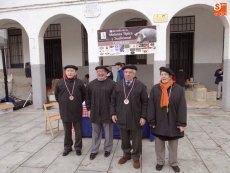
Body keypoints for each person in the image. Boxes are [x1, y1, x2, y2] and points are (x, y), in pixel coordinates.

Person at [147, 67, 187, 173]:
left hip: (174, 121)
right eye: (162, 74)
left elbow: (182, 106)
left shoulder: (178, 89)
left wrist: (181, 123)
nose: (163, 76)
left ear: (170, 76)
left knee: (173, 144)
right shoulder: (155, 88)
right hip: (159, 121)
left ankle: (173, 163)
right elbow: (151, 105)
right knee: (159, 144)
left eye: (165, 74)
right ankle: (160, 162)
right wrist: (151, 120)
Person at [111, 65, 148, 169]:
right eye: (126, 72)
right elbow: (112, 101)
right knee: (124, 138)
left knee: (136, 139)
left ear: (134, 74)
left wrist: (143, 116)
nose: (128, 74)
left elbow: (145, 102)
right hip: (121, 116)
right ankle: (126, 154)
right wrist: (113, 113)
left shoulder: (141, 86)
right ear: (123, 73)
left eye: (130, 72)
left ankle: (136, 157)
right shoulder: (117, 85)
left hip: (136, 117)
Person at [55, 65, 86, 156]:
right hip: (65, 111)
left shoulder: (80, 83)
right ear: (65, 72)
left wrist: (76, 102)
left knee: (78, 131)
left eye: (72, 71)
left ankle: (78, 147)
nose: (70, 72)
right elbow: (57, 96)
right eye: (68, 70)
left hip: (76, 110)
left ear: (75, 72)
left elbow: (84, 96)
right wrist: (63, 102)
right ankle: (67, 147)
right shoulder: (60, 82)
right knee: (67, 131)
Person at [86, 65, 116, 160]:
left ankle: (107, 149)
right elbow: (88, 98)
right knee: (95, 133)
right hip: (95, 112)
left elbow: (114, 100)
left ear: (106, 72)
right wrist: (89, 109)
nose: (100, 73)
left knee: (108, 133)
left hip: (107, 112)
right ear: (96, 73)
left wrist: (113, 112)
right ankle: (94, 150)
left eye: (102, 71)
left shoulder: (112, 84)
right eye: (98, 71)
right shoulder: (91, 84)